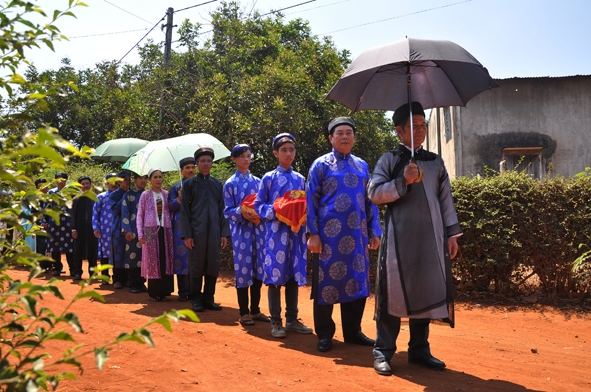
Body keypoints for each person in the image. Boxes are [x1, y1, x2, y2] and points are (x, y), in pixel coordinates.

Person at [367, 102, 461, 375]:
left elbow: (445, 200)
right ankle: (383, 351)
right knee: (392, 294)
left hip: (430, 239)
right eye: (414, 126)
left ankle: (419, 350)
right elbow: (374, 194)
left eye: (423, 125)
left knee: (426, 290)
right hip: (398, 241)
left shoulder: (435, 161)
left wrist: (451, 233)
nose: (420, 130)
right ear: (399, 131)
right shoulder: (390, 160)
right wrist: (403, 182)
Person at [306, 117, 382, 352]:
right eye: (340, 133)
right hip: (328, 238)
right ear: (331, 138)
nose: (345, 136)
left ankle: (353, 331)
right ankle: (325, 334)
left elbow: (371, 201)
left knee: (356, 282)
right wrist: (313, 234)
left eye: (349, 132)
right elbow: (311, 200)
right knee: (325, 283)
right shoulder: (321, 165)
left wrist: (375, 231)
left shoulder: (362, 165)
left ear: (354, 137)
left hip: (357, 236)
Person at [254, 133, 312, 338]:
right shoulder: (268, 178)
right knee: (275, 276)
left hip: (296, 234)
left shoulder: (300, 179)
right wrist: (279, 211)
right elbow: (258, 205)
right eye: (284, 150)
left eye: (292, 150)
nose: (289, 154)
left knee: (294, 275)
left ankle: (293, 319)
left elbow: (307, 206)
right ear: (275, 153)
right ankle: (275, 321)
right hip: (276, 234)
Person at [180, 147, 230, 312]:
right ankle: (196, 299)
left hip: (214, 231)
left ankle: (209, 298)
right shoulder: (189, 185)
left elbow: (222, 209)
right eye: (202, 161)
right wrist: (187, 235)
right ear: (197, 163)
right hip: (196, 231)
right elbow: (184, 212)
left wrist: (223, 233)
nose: (206, 163)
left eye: (209, 161)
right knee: (196, 264)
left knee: (212, 264)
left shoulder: (217, 184)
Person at [223, 144, 269, 326]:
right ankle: (243, 312)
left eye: (248, 156)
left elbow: (263, 205)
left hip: (258, 231)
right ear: (234, 159)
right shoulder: (230, 184)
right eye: (242, 156)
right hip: (241, 232)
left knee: (258, 268)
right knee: (243, 269)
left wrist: (259, 213)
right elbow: (227, 211)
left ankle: (255, 310)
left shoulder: (258, 181)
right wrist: (241, 212)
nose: (246, 159)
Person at [136, 168, 174, 301]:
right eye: (155, 177)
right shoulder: (145, 195)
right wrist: (140, 234)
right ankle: (153, 292)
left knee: (164, 259)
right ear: (150, 180)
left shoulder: (166, 194)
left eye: (160, 176)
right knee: (152, 260)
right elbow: (140, 214)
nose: (158, 179)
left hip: (165, 229)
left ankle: (164, 291)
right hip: (149, 229)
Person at [168, 157, 195, 302]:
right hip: (179, 228)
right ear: (181, 171)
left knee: (196, 260)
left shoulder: (200, 185)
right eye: (187, 168)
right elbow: (169, 207)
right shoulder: (176, 187)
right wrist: (179, 199)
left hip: (197, 227)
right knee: (182, 259)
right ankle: (183, 291)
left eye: (192, 167)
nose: (190, 170)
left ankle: (195, 291)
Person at [121, 173, 148, 293]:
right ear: (135, 180)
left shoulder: (148, 194)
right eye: (140, 178)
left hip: (148, 229)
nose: (143, 181)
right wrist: (126, 230)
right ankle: (132, 283)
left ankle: (142, 282)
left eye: (145, 178)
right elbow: (124, 213)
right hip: (133, 229)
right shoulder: (128, 195)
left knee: (145, 256)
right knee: (133, 256)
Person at [46, 172, 74, 276]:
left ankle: (73, 269)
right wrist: (44, 221)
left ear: (66, 180)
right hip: (54, 223)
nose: (60, 181)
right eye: (58, 179)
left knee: (70, 247)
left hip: (68, 223)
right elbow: (46, 207)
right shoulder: (51, 192)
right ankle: (57, 268)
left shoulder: (71, 192)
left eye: (62, 179)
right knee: (54, 246)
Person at [70, 175, 98, 280]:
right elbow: (72, 214)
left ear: (90, 185)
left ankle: (93, 274)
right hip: (79, 228)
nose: (85, 186)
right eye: (83, 184)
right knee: (78, 251)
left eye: (87, 183)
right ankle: (77, 272)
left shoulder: (95, 197)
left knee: (93, 251)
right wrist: (73, 229)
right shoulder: (76, 198)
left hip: (92, 229)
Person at [92, 173, 118, 285]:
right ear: (107, 183)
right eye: (111, 182)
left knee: (117, 253)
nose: (113, 184)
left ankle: (118, 277)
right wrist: (95, 228)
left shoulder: (121, 196)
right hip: (104, 230)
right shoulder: (101, 197)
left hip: (118, 229)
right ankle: (105, 277)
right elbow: (95, 214)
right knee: (104, 253)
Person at [110, 171, 131, 289]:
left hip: (130, 226)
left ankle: (128, 279)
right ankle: (117, 279)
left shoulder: (132, 193)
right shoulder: (113, 195)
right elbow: (115, 210)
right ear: (118, 182)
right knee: (118, 253)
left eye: (129, 179)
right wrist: (124, 197)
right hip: (118, 226)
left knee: (129, 251)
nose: (127, 181)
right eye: (125, 179)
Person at [34, 178, 52, 272]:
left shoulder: (51, 197)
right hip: (40, 224)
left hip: (51, 224)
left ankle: (53, 265)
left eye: (45, 186)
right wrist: (41, 223)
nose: (43, 188)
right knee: (41, 246)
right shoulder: (36, 199)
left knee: (52, 246)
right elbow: (34, 213)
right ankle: (42, 266)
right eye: (40, 186)